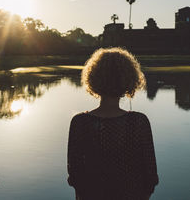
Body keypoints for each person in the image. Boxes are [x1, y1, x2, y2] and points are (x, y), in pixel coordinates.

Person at [67, 47, 159, 200]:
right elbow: (150, 176)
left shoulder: (80, 123)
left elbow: (76, 177)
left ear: (93, 78)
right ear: (129, 80)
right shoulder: (138, 122)